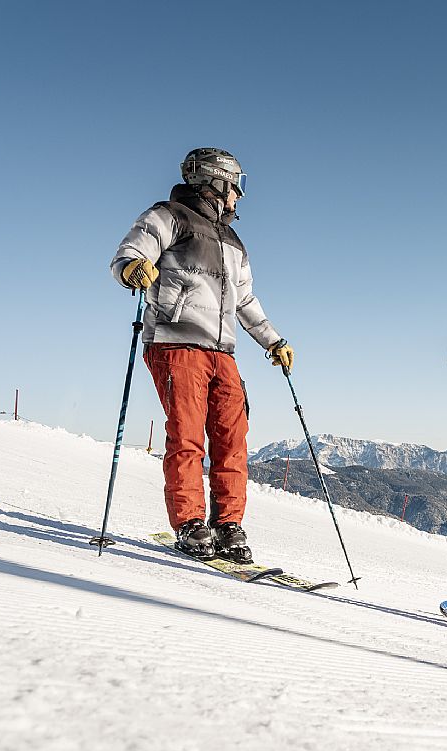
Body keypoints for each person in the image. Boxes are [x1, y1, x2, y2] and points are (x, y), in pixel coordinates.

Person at [110, 148, 294, 563]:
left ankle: (228, 525)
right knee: (188, 437)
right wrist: (131, 269)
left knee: (233, 439)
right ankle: (191, 524)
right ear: (217, 182)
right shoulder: (167, 217)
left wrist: (274, 341)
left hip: (222, 351)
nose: (240, 196)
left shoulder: (233, 242)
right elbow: (130, 253)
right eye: (237, 185)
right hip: (175, 344)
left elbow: (246, 301)